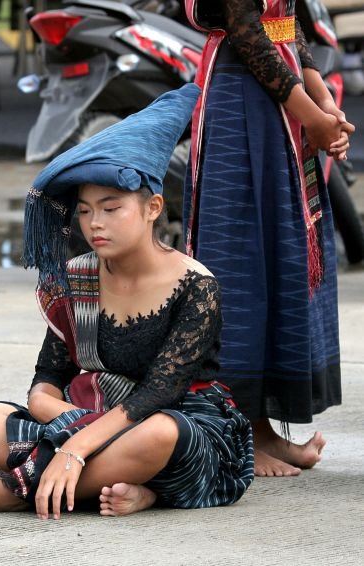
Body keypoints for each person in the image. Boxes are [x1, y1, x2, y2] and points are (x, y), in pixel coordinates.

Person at [0, 85, 254, 519]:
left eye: (112, 208)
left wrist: (75, 446)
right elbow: (49, 374)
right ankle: (128, 490)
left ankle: (23, 491)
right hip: (86, 415)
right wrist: (55, 412)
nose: (96, 223)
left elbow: (158, 393)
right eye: (86, 210)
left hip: (174, 422)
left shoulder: (195, 285)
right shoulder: (78, 276)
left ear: (152, 208)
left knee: (159, 437)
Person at [184, 0, 355, 476]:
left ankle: (266, 430)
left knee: (278, 254)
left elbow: (288, 23)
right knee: (242, 262)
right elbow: (248, 35)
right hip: (244, 99)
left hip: (282, 94)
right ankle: (241, 432)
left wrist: (321, 100)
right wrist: (312, 114)